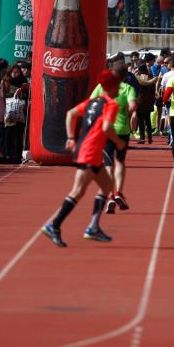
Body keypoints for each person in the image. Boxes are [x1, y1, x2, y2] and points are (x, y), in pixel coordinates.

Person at [41, 70, 125, 248]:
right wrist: (118, 142)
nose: (120, 87)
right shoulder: (110, 104)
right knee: (78, 191)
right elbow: (107, 126)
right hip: (89, 152)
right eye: (118, 84)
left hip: (87, 150)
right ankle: (53, 225)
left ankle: (93, 227)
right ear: (113, 86)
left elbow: (71, 113)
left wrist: (71, 138)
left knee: (108, 186)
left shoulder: (93, 102)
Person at [94, 61, 137, 212]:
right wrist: (132, 111)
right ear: (125, 76)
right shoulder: (128, 88)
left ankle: (111, 196)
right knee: (120, 162)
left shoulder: (101, 87)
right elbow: (133, 106)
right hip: (122, 131)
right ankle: (118, 192)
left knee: (108, 164)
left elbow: (91, 104)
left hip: (105, 129)